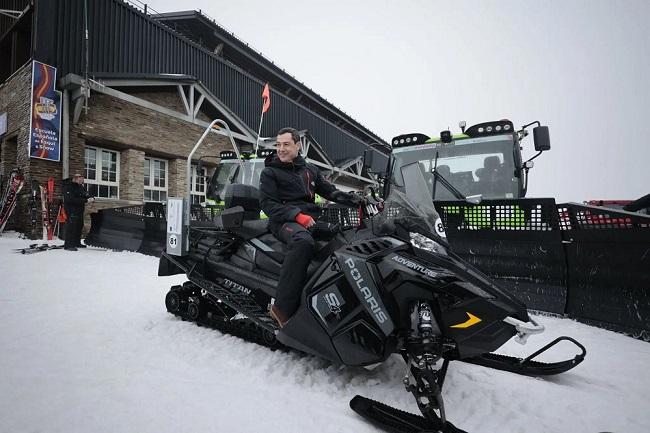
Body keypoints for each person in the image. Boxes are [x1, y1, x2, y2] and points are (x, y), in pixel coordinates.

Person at [260, 127, 362, 327]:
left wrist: (357, 200)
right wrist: (297, 216)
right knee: (303, 241)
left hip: (311, 218)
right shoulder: (270, 172)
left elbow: (330, 191)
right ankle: (281, 308)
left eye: (286, 144)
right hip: (283, 221)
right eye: (278, 144)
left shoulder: (310, 170)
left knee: (344, 236)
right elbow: (268, 204)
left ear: (298, 145)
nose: (280, 149)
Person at [63, 173, 94, 251]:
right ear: (76, 178)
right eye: (81, 180)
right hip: (71, 209)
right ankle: (68, 245)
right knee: (71, 227)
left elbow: (85, 194)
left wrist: (90, 197)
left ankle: (76, 243)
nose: (82, 182)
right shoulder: (68, 187)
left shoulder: (80, 186)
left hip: (80, 209)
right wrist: (86, 200)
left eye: (82, 180)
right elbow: (70, 199)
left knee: (79, 226)